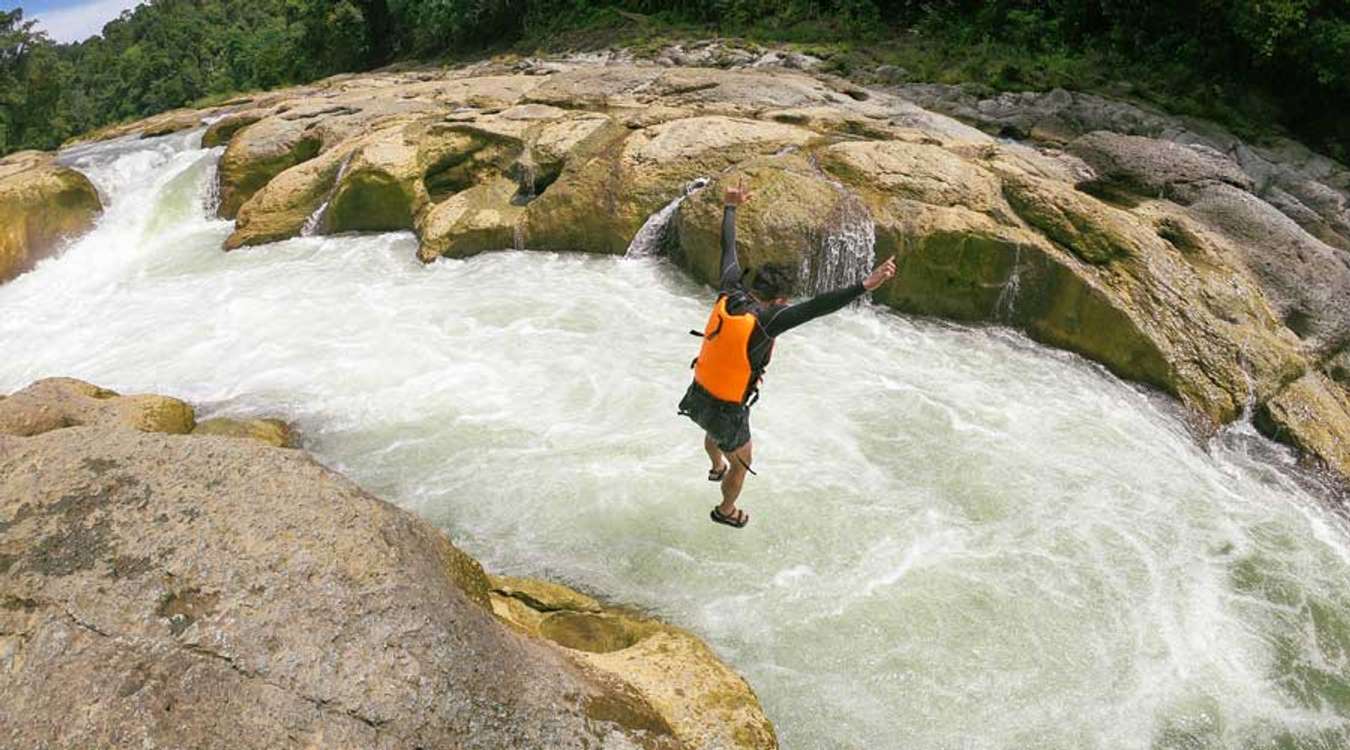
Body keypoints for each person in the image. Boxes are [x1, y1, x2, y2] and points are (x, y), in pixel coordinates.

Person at [678, 180, 897, 529]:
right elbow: (816, 307)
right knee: (743, 461)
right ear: (779, 300)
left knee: (715, 436)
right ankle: (726, 510)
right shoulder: (768, 320)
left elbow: (728, 249)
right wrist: (864, 285)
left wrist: (730, 207)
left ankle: (715, 466)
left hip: (697, 393)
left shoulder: (730, 289)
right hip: (727, 409)